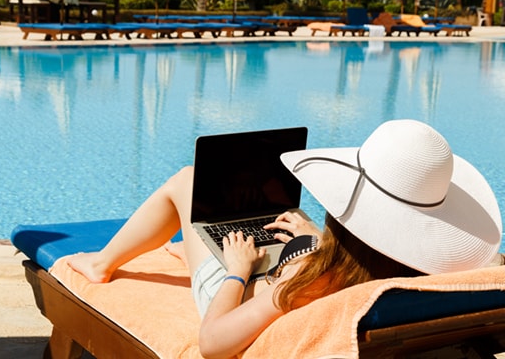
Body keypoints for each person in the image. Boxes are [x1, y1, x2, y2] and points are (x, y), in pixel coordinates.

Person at [68, 119, 502, 359]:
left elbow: (213, 343)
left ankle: (102, 263)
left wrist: (237, 273)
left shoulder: (306, 287)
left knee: (188, 181)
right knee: (285, 224)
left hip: (243, 293)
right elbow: (368, 268)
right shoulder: (432, 282)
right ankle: (196, 250)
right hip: (325, 266)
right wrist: (319, 241)